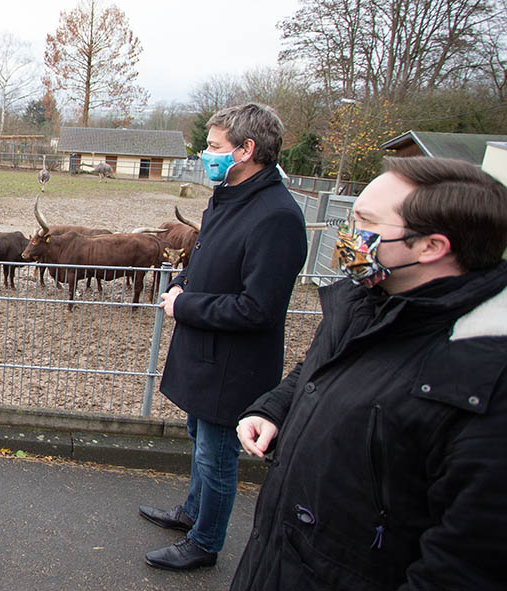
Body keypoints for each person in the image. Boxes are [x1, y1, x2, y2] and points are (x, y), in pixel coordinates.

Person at [231, 157, 507, 590]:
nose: (348, 235)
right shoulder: (365, 300)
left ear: (431, 247)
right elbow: (321, 369)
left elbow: (463, 567)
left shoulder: (483, 376)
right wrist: (274, 408)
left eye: (364, 222)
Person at [140, 103, 308, 571]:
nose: (205, 155)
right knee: (199, 436)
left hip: (233, 362)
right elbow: (204, 256)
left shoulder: (277, 216)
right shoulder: (226, 196)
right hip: (204, 352)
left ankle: (205, 543)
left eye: (214, 147)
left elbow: (259, 308)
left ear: (246, 150)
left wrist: (183, 305)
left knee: (217, 455)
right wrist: (181, 282)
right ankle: (192, 513)